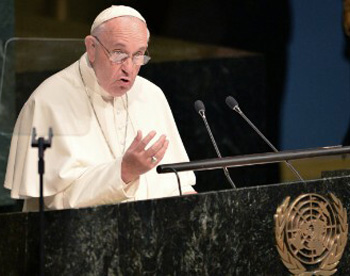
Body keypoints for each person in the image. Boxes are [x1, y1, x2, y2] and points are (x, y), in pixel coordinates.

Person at [4, 5, 196, 211]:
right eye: (119, 53)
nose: (129, 68)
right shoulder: (49, 100)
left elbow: (178, 183)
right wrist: (123, 172)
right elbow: (53, 202)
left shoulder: (152, 95)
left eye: (138, 55)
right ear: (92, 48)